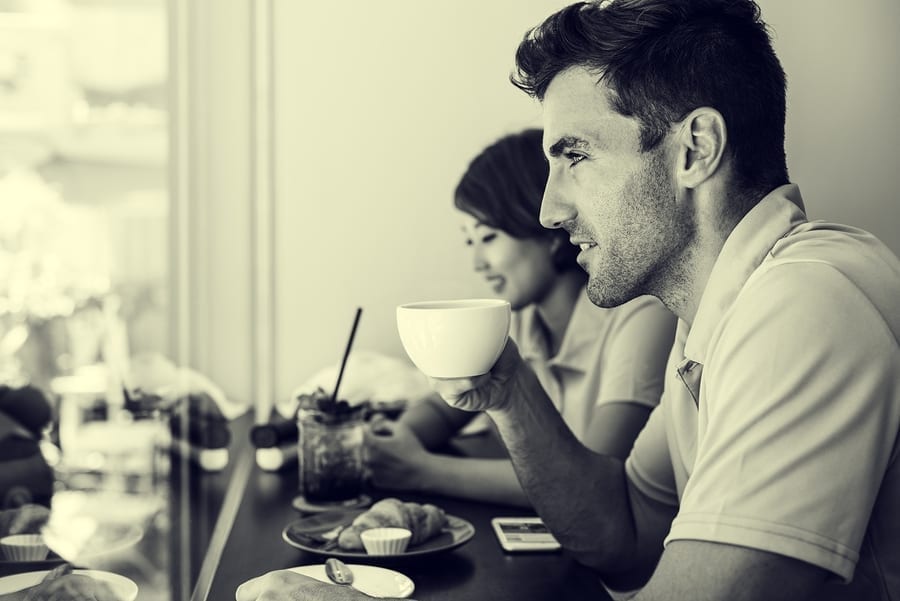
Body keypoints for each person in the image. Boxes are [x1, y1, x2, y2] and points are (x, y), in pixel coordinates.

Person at [236, 1, 900, 599]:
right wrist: (510, 393)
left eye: (575, 156)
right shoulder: (714, 317)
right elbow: (626, 532)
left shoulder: (807, 300)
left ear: (695, 149)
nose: (551, 210)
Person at [365, 128, 676, 507]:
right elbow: (445, 408)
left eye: (489, 237)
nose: (478, 263)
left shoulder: (641, 315)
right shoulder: (522, 321)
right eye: (469, 241)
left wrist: (421, 471)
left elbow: (595, 482)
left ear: (545, 229)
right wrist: (399, 440)